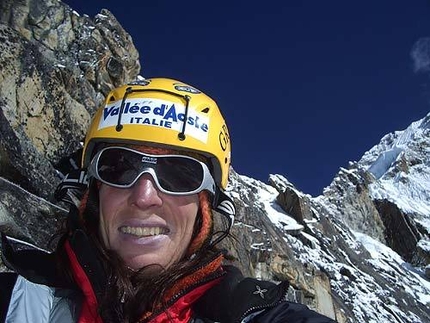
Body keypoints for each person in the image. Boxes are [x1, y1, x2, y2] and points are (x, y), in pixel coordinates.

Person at [0, 78, 337, 322]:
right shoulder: (18, 299)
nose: (145, 197)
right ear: (92, 190)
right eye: (118, 167)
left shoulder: (260, 316)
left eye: (179, 175)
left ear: (206, 208)